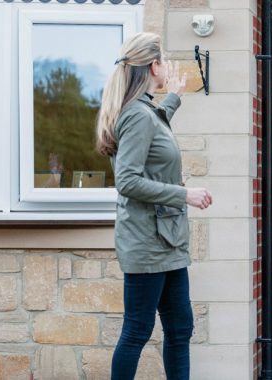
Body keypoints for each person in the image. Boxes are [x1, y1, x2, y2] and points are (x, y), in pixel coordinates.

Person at [95, 32, 213, 379]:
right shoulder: (136, 114)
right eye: (163, 59)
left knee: (180, 329)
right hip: (146, 243)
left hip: (168, 241)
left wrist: (174, 97)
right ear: (153, 65)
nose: (167, 65)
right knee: (137, 331)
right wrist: (183, 194)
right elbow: (127, 181)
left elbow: (153, 132)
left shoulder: (145, 111)